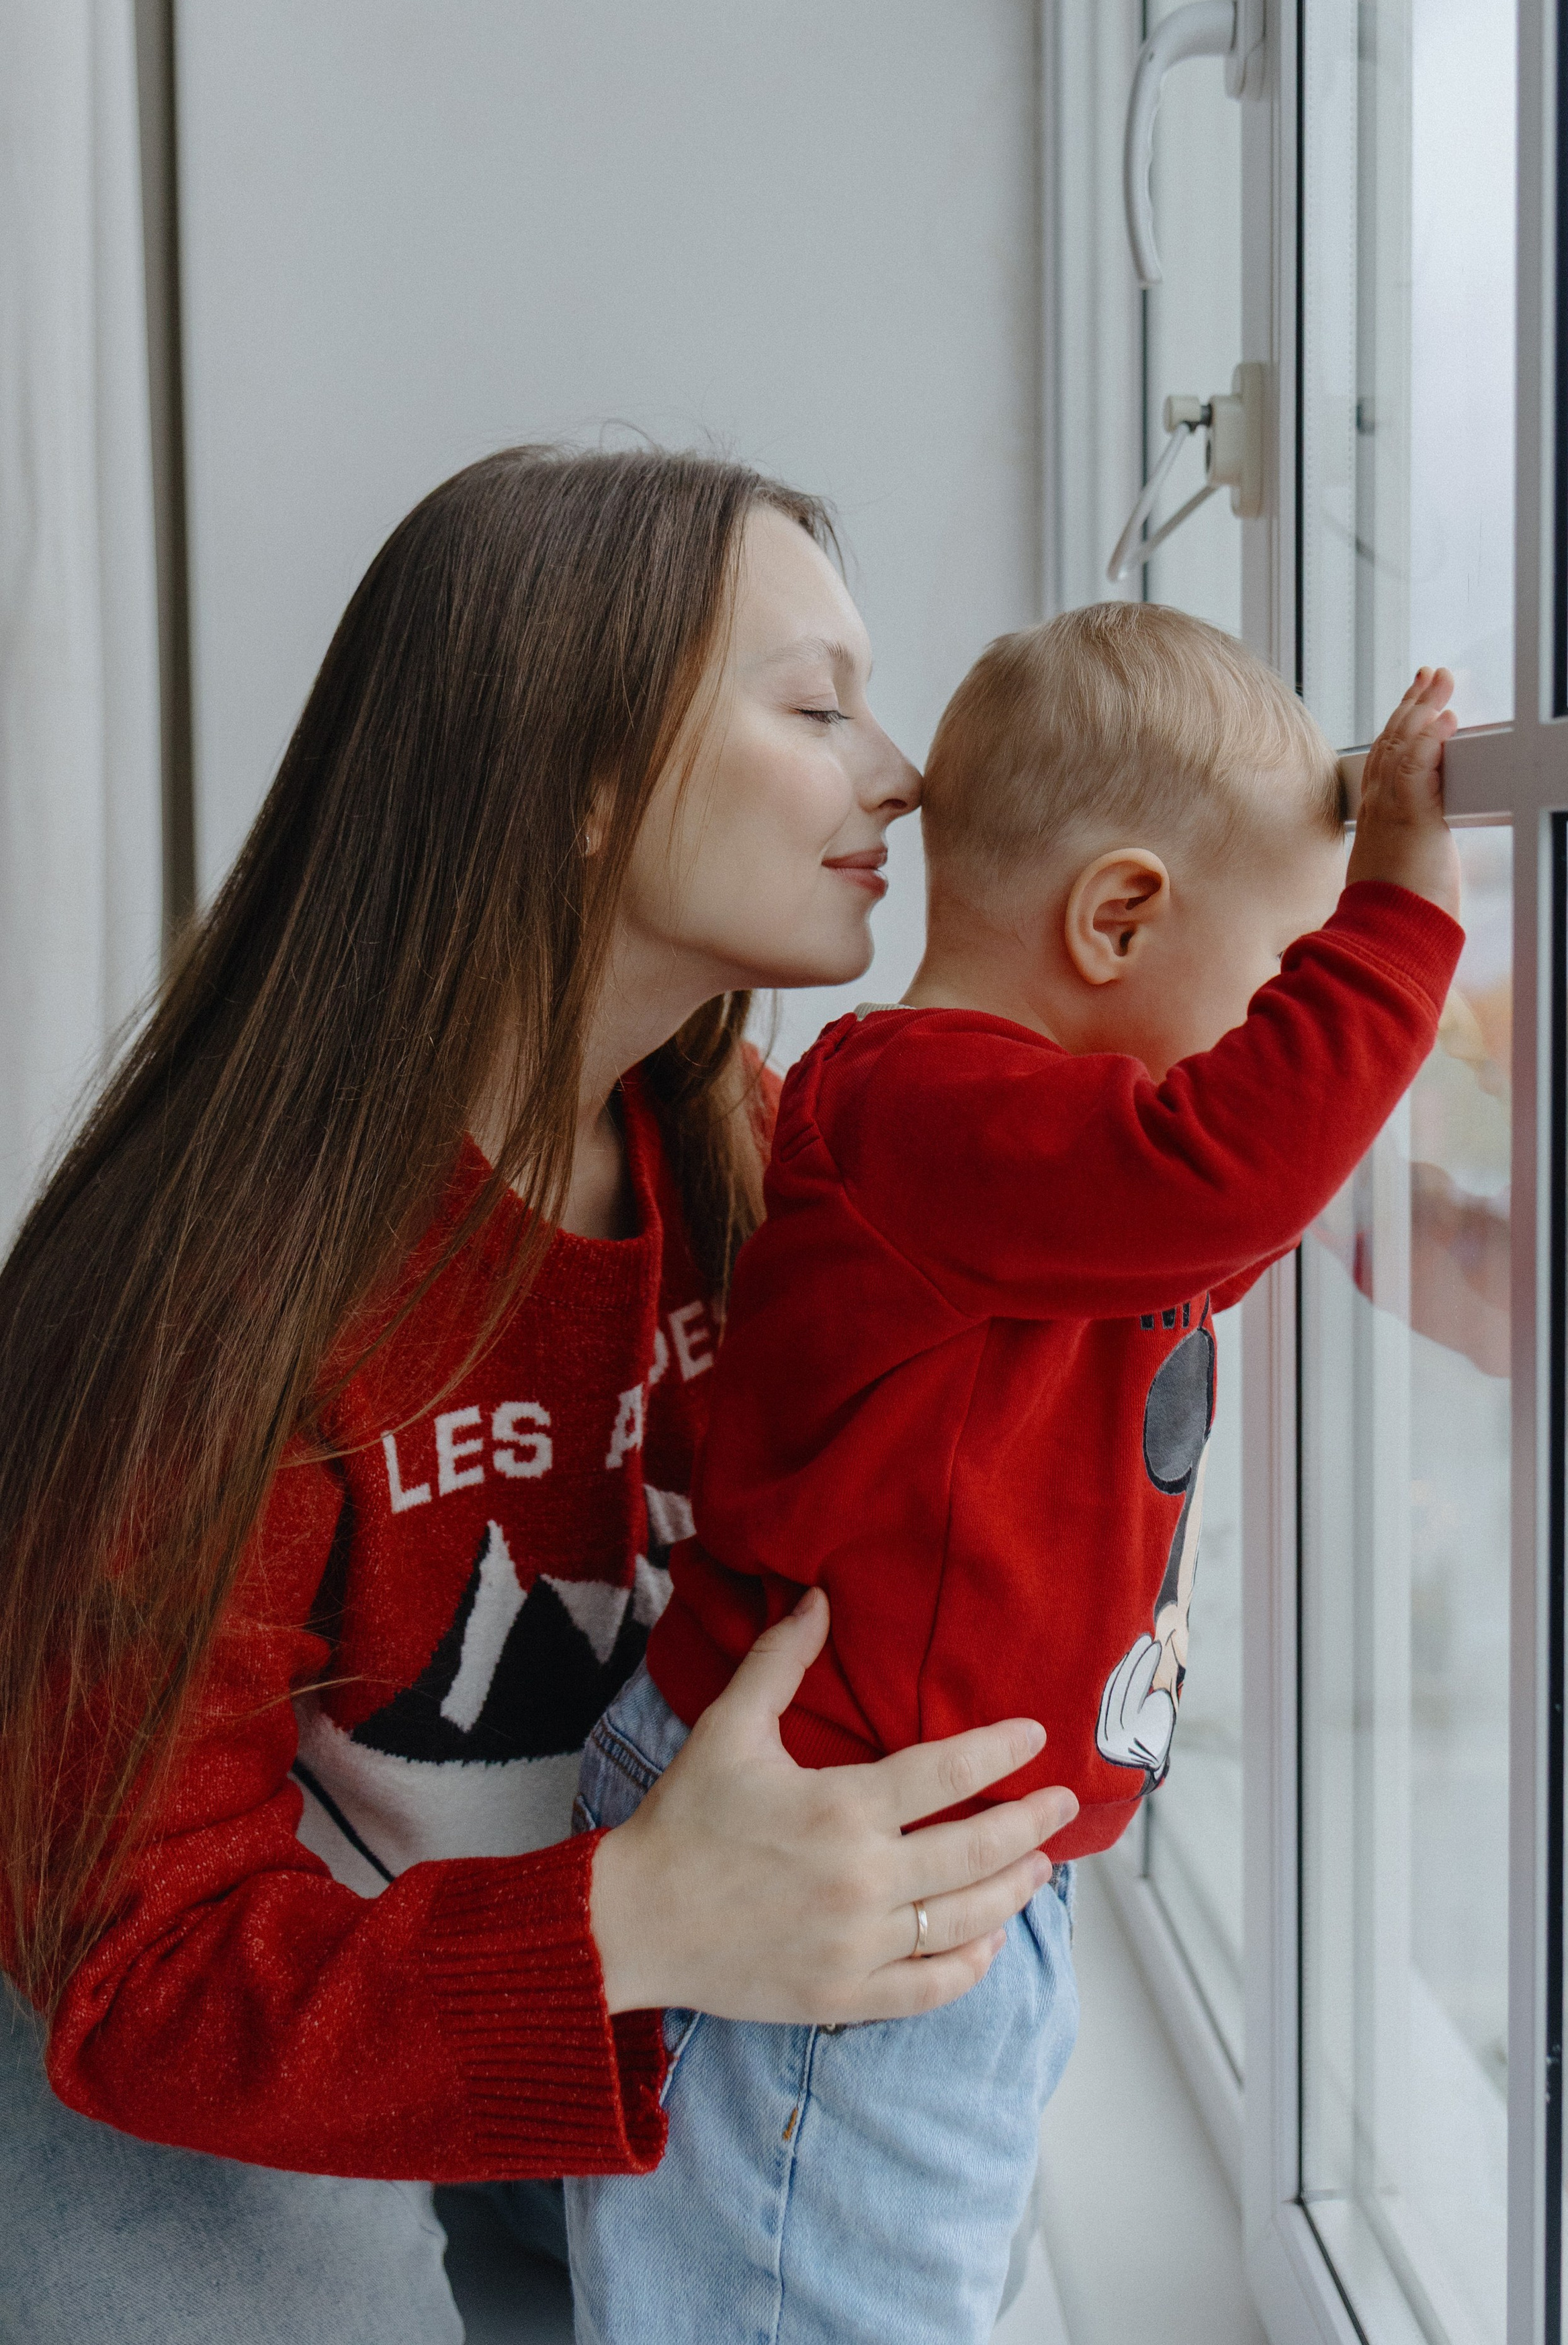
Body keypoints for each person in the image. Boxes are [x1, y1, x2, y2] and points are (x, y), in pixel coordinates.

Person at [0, 448, 1078, 2345]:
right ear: (577, 780)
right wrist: (640, 1920)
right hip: (228, 2143)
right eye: (817, 707)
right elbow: (130, 1966)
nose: (902, 772)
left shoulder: (757, 1162)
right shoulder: (208, 1296)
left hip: (586, 2097)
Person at [564, 607, 1466, 2343]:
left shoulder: (1018, 1174)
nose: (1280, 1032)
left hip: (927, 1866)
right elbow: (1227, 1173)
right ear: (1116, 917)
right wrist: (1401, 913)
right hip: (822, 1877)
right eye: (1284, 973)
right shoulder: (920, 1108)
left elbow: (1202, 1243)